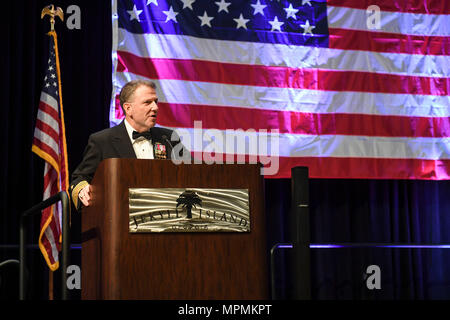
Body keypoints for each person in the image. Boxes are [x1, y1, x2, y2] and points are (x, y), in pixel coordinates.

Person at [69, 80, 188, 209]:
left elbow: (194, 170)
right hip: (120, 216)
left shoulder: (168, 138)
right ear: (128, 108)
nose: (155, 107)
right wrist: (82, 189)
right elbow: (80, 178)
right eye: (147, 102)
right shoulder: (102, 141)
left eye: (156, 102)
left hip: (166, 215)